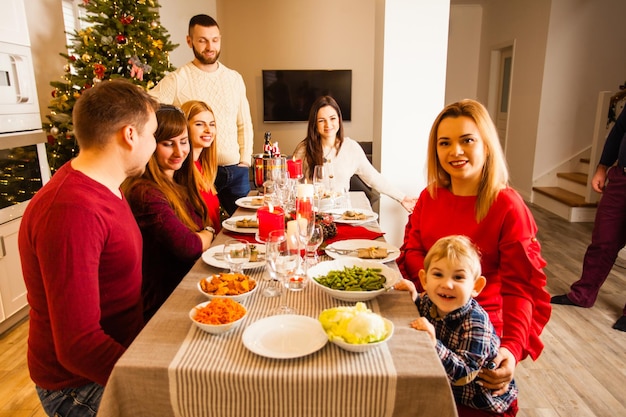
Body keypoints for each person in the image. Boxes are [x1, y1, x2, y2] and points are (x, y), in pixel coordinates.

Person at [17, 79, 159, 416]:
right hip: (77, 386)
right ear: (129, 135)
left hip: (117, 355)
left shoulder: (107, 186)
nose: (154, 143)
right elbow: (78, 346)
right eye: (153, 134)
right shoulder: (71, 210)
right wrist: (146, 383)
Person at [397, 99, 551, 397]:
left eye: (467, 140)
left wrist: (511, 347)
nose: (455, 151)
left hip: (478, 332)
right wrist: (434, 286)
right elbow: (412, 250)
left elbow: (521, 287)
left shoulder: (507, 206)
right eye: (445, 143)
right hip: (430, 316)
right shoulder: (429, 198)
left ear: (487, 145)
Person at [397, 235, 518, 417]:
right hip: (447, 387)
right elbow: (421, 309)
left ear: (476, 286)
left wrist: (433, 343)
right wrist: (412, 297)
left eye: (458, 277)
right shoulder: (430, 300)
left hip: (479, 403)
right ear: (424, 280)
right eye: (438, 274)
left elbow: (464, 375)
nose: (447, 284)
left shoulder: (477, 324)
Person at [148, 14, 254, 216]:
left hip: (235, 169)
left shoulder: (234, 78)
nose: (210, 46)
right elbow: (147, 107)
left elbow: (244, 123)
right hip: (197, 170)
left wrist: (245, 161)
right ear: (190, 41)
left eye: (215, 40)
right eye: (202, 40)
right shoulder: (177, 80)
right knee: (206, 224)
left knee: (246, 223)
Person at [123, 104, 215, 321]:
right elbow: (188, 246)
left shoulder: (180, 184)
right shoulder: (145, 192)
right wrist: (209, 231)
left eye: (183, 142)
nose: (179, 151)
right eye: (168, 144)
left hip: (190, 285)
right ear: (151, 145)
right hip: (167, 303)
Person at [551, 99, 626, 332]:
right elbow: (619, 130)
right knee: (603, 238)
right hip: (621, 177)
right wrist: (603, 166)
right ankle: (582, 294)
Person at [292, 95, 417, 212]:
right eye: (321, 121)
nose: (328, 125)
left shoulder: (351, 148)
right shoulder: (304, 149)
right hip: (314, 214)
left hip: (343, 214)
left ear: (339, 120)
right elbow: (292, 183)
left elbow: (373, 178)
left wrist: (402, 198)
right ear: (314, 124)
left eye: (332, 118)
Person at [181, 100, 222, 232]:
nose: (208, 130)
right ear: (185, 127)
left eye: (212, 124)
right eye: (199, 124)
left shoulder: (202, 166)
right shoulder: (182, 170)